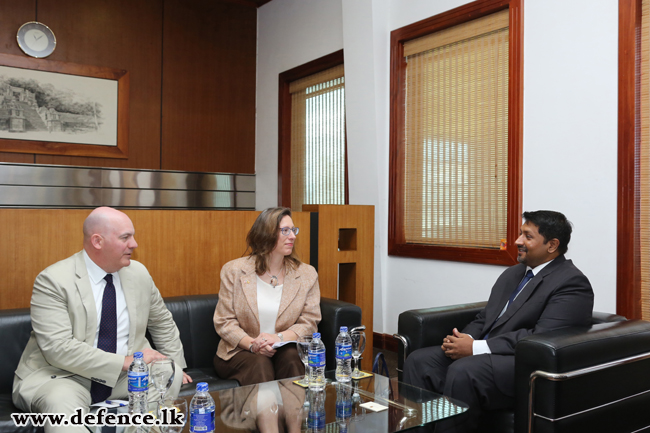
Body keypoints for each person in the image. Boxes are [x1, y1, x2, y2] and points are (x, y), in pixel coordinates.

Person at [403, 210, 594, 433]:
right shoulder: (513, 274)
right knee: (420, 360)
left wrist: (475, 348)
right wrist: (463, 339)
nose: (517, 241)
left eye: (527, 236)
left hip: (522, 363)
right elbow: (486, 318)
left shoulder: (571, 282)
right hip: (488, 353)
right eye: (520, 234)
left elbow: (542, 337)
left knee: (465, 370)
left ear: (552, 245)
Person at [12, 207, 192, 432]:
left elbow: (162, 322)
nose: (134, 244)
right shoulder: (53, 280)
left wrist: (175, 365)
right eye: (125, 237)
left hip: (125, 377)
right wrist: (125, 361)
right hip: (65, 376)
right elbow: (58, 349)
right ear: (98, 241)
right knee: (60, 403)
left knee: (169, 372)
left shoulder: (139, 274)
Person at [213, 207, 321, 386]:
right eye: (285, 231)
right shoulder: (233, 271)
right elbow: (224, 322)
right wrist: (253, 344)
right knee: (260, 364)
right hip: (241, 351)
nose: (293, 236)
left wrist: (278, 338)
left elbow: (309, 322)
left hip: (285, 347)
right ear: (266, 234)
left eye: (293, 230)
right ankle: (266, 415)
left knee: (294, 360)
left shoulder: (307, 274)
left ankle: (296, 414)